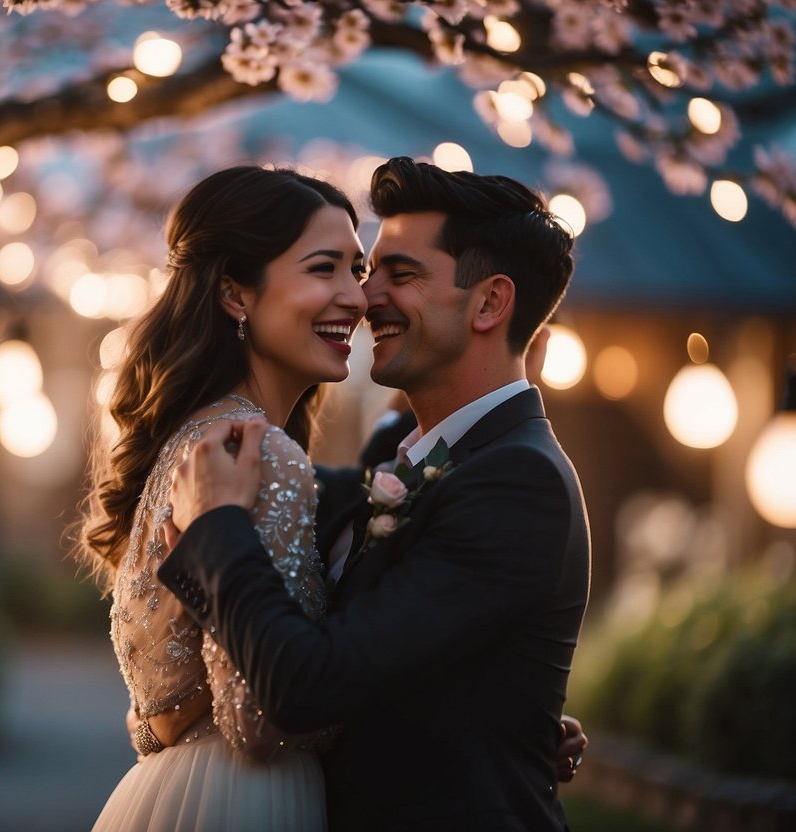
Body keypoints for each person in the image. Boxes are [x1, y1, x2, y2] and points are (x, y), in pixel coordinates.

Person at [159, 157, 592, 830]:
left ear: (489, 303)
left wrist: (215, 527)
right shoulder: (403, 463)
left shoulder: (516, 480)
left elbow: (310, 687)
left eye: (402, 274)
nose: (365, 299)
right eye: (368, 272)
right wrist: (508, 711)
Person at [78, 164, 368, 830]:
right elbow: (259, 722)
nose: (354, 297)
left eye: (359, 269)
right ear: (236, 295)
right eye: (324, 269)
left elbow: (153, 721)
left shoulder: (194, 441)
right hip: (245, 799)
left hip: (166, 791)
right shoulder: (255, 454)